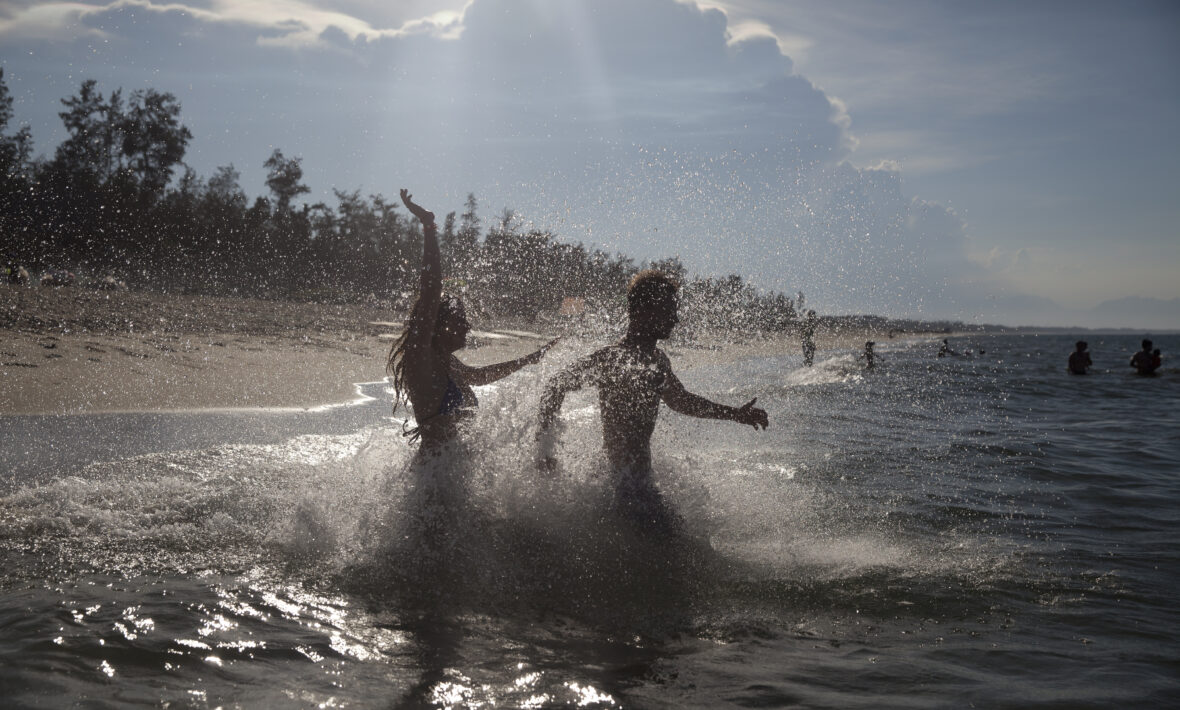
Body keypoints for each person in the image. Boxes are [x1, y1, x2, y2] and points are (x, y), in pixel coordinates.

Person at [536, 270, 769, 532]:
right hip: (622, 488)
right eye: (669, 310)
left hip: (637, 484)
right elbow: (554, 386)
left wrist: (734, 414)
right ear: (645, 311)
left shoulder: (657, 360)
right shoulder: (615, 357)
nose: (676, 319)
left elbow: (680, 401)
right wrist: (544, 453)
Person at [386, 189, 558, 448]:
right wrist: (429, 225)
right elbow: (431, 288)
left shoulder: (446, 362)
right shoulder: (421, 357)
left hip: (452, 482)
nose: (467, 326)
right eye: (459, 319)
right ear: (437, 324)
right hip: (434, 486)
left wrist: (529, 360)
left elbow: (478, 376)